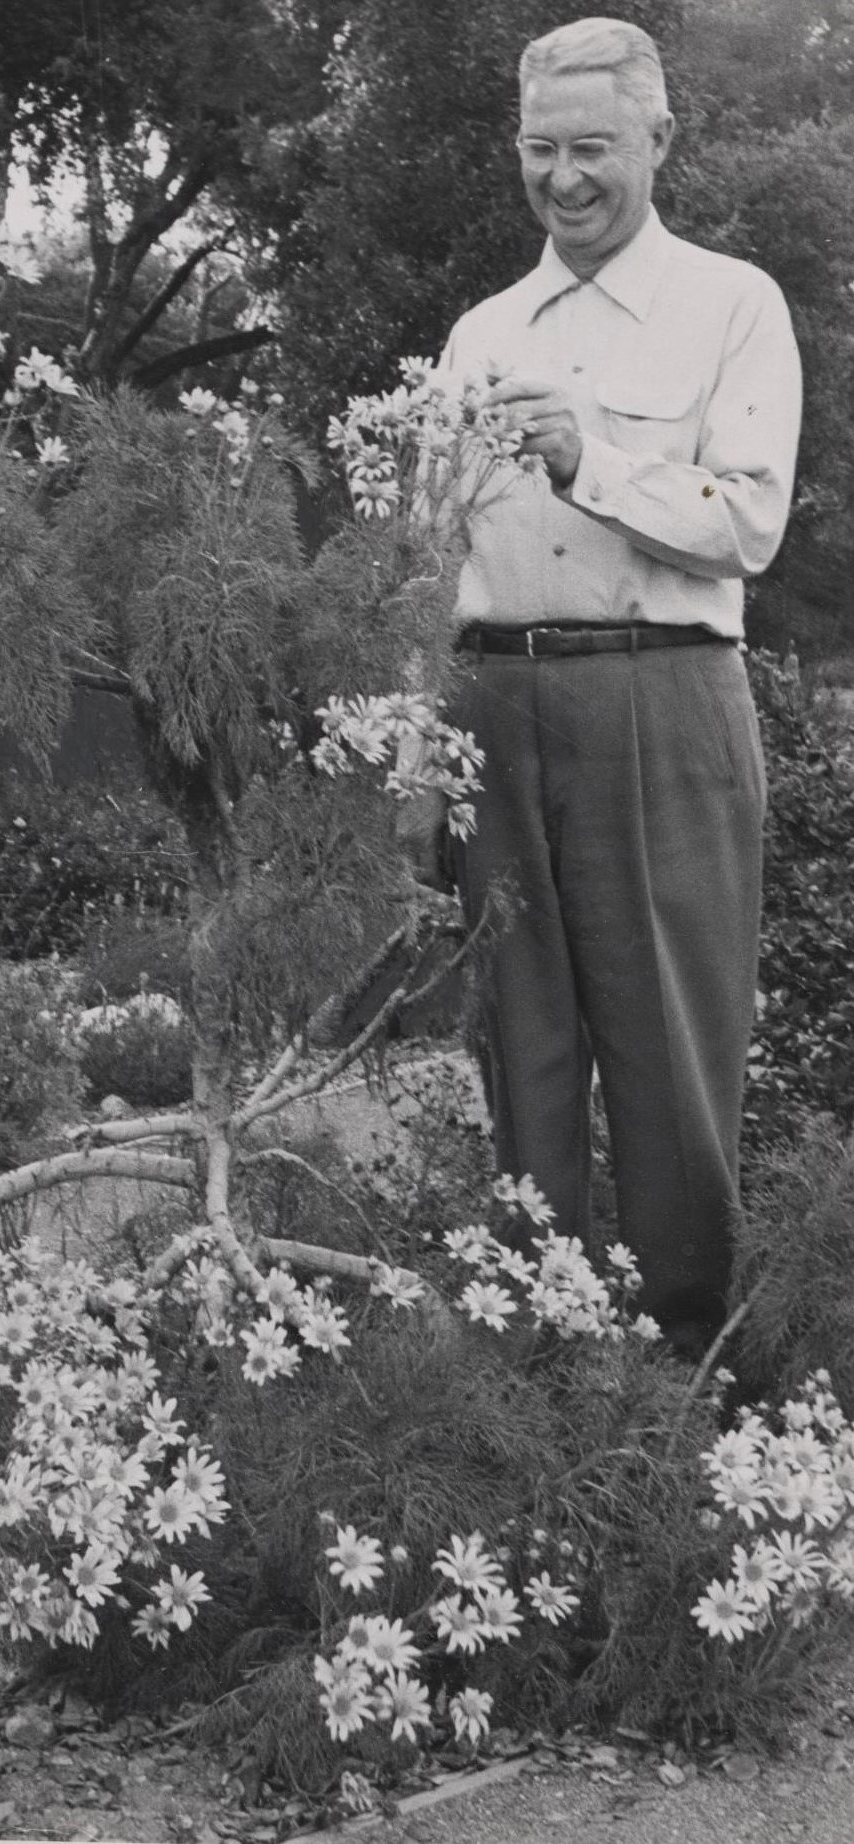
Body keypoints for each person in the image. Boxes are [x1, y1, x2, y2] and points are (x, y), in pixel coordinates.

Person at [426, 16, 802, 1357]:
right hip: (490, 711)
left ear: (658, 140)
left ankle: (683, 1373)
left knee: (669, 1050)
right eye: (542, 148)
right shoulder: (477, 331)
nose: (565, 176)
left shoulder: (732, 305)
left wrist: (590, 461)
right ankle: (536, 1367)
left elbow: (748, 524)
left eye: (594, 146)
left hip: (661, 701)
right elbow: (430, 548)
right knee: (515, 1040)